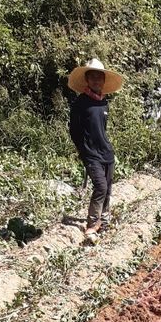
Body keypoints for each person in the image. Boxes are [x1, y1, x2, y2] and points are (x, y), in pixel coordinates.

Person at [67, 58, 124, 238]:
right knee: (100, 186)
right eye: (93, 78)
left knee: (108, 188)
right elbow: (74, 131)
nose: (96, 81)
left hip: (107, 153)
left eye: (99, 78)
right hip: (91, 155)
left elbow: (101, 129)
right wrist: (83, 151)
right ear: (87, 80)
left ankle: (104, 222)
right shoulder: (80, 103)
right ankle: (92, 223)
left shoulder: (103, 103)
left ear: (103, 81)